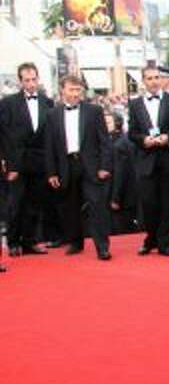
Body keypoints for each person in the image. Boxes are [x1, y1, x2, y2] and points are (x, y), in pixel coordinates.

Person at [43, 75, 113, 260]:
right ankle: (75, 242)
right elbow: (49, 146)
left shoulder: (94, 111)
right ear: (62, 91)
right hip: (66, 165)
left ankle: (102, 247)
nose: (76, 94)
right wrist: (51, 172)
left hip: (91, 165)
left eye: (78, 90)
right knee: (70, 206)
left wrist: (105, 166)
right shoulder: (52, 114)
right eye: (71, 90)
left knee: (97, 206)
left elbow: (104, 141)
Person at [128, 64, 169, 255]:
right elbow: (132, 132)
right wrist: (143, 140)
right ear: (143, 81)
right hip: (146, 160)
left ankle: (165, 243)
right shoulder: (135, 104)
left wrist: (168, 138)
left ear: (161, 79)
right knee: (148, 203)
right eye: (150, 78)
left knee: (168, 203)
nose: (154, 82)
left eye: (156, 77)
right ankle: (151, 238)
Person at [0, 62, 55, 255]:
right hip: (17, 161)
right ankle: (14, 242)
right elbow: (3, 135)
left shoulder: (47, 102)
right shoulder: (8, 103)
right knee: (15, 203)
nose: (31, 84)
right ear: (20, 81)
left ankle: (30, 241)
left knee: (35, 203)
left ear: (38, 79)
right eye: (27, 80)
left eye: (34, 79)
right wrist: (7, 162)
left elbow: (51, 135)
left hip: (40, 161)